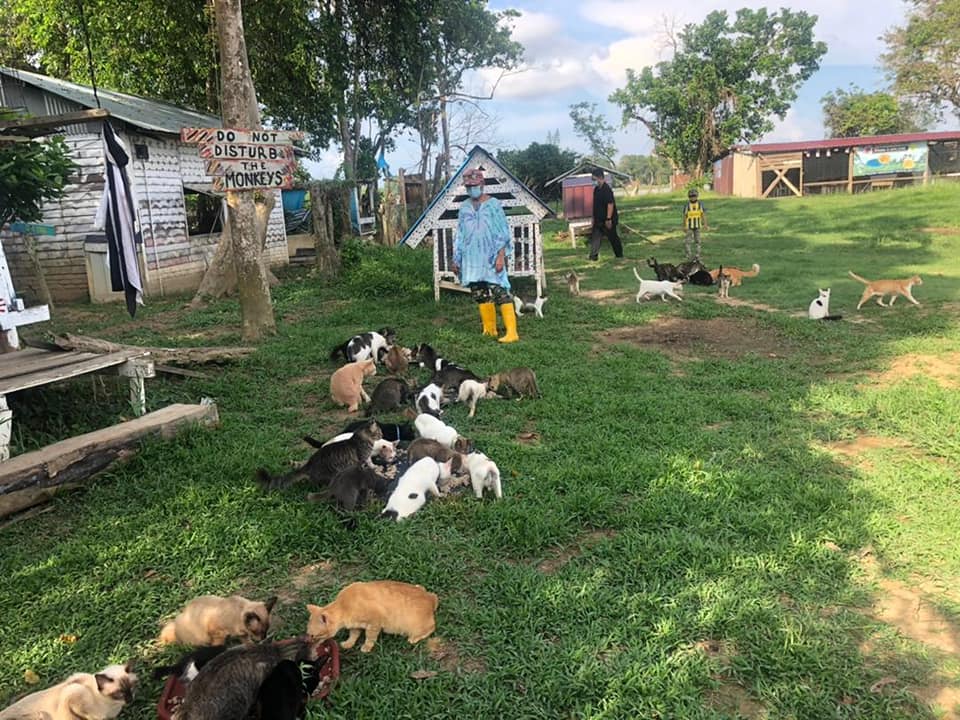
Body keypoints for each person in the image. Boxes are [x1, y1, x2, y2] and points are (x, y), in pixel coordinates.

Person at [450, 168, 519, 343]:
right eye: (468, 186)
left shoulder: (494, 204)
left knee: (500, 291)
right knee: (479, 292)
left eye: (474, 185)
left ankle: (512, 332)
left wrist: (501, 256)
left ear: (482, 184)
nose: (471, 189)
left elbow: (503, 232)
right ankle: (490, 329)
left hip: (491, 256)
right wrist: (456, 258)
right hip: (471, 258)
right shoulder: (464, 207)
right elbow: (460, 234)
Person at [588, 167, 623, 261]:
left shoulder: (606, 189)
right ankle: (593, 256)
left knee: (613, 237)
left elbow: (610, 204)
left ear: (600, 177)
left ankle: (619, 255)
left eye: (594, 179)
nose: (593, 181)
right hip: (598, 219)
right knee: (595, 237)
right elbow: (595, 205)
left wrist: (608, 219)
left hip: (608, 219)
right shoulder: (596, 190)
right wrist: (593, 218)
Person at [681, 188, 708, 260]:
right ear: (689, 197)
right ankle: (688, 255)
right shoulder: (687, 206)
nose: (693, 198)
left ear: (697, 196)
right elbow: (685, 216)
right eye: (691, 196)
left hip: (697, 226)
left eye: (694, 196)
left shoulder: (700, 205)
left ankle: (698, 255)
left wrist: (705, 224)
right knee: (687, 241)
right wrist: (684, 226)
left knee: (698, 241)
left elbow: (703, 214)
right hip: (689, 226)